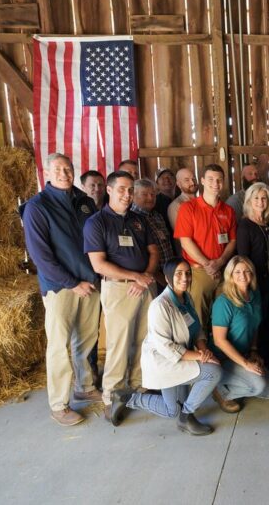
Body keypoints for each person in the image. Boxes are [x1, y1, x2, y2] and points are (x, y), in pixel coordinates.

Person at [21, 153, 101, 426]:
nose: (64, 174)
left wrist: (93, 277)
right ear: (47, 173)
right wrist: (71, 283)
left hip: (90, 283)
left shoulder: (85, 202)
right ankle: (59, 404)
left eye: (68, 169)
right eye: (58, 170)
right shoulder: (37, 207)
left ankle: (86, 387)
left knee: (87, 340)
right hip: (60, 288)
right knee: (58, 346)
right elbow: (40, 256)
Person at [108, 259, 222, 436]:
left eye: (187, 273)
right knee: (214, 371)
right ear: (168, 278)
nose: (185, 278)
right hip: (163, 361)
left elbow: (197, 327)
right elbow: (167, 348)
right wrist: (200, 356)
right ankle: (186, 418)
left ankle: (126, 398)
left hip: (180, 357)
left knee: (172, 411)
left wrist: (203, 348)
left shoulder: (186, 298)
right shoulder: (160, 306)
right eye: (178, 274)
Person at [83, 170, 159, 421]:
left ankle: (138, 385)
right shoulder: (97, 222)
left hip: (143, 285)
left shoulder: (139, 220)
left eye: (130, 191)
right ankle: (112, 395)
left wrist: (145, 276)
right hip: (118, 288)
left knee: (144, 338)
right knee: (118, 343)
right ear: (109, 190)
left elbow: (153, 252)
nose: (127, 195)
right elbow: (99, 264)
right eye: (121, 190)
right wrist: (135, 277)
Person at [209, 256, 269, 412]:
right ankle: (220, 391)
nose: (242, 275)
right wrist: (246, 364)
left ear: (252, 274)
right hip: (222, 358)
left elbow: (255, 325)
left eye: (247, 271)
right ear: (230, 275)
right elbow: (219, 341)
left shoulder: (254, 294)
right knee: (259, 385)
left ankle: (242, 382)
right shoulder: (223, 302)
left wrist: (253, 350)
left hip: (244, 353)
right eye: (237, 272)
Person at [174, 164, 237, 324]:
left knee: (223, 318)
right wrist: (208, 265)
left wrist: (220, 262)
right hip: (199, 272)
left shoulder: (228, 210)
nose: (215, 183)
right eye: (210, 179)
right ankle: (199, 350)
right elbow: (185, 241)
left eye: (219, 180)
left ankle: (220, 349)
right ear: (202, 180)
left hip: (223, 271)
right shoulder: (188, 208)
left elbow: (232, 240)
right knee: (197, 318)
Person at [237, 182, 269, 369]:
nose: (260, 201)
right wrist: (248, 282)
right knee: (259, 318)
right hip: (255, 281)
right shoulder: (245, 225)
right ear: (249, 201)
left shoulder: (268, 223)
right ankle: (260, 356)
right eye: (256, 198)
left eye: (264, 198)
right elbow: (243, 257)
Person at [132, 179, 175, 286]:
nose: (150, 198)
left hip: (168, 273)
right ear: (133, 195)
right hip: (150, 277)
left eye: (153, 194)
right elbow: (139, 253)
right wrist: (157, 276)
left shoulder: (157, 215)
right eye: (145, 194)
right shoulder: (131, 219)